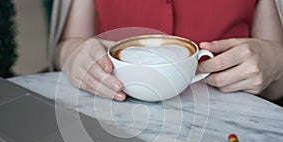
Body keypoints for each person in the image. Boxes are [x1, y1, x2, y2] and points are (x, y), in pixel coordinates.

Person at [49, 0, 283, 103]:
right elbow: (68, 46)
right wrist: (71, 53)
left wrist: (276, 63)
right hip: (111, 125)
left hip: (226, 134)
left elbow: (274, 89)